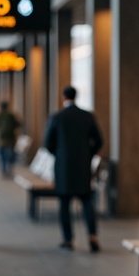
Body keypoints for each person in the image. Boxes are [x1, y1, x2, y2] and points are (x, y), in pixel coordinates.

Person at [44, 86, 104, 252]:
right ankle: (92, 236)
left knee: (64, 203)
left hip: (63, 166)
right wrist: (88, 154)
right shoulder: (87, 116)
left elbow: (48, 142)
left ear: (64, 97)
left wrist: (59, 154)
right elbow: (99, 141)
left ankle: (68, 239)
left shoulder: (57, 116)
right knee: (87, 201)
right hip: (83, 165)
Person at [0, 100, 22, 177]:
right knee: (10, 155)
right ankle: (10, 170)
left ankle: (3, 171)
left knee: (2, 156)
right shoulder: (12, 115)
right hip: (11, 139)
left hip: (1, 139)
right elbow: (18, 124)